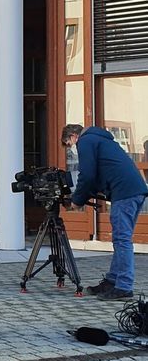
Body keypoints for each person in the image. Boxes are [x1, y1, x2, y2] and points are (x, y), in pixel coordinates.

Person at [61, 124, 148, 301]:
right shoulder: (100, 139)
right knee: (120, 238)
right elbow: (99, 174)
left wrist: (76, 201)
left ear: (73, 136)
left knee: (122, 239)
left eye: (68, 143)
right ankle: (112, 281)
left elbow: (87, 175)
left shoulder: (86, 141)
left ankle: (124, 287)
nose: (71, 148)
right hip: (132, 190)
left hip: (125, 193)